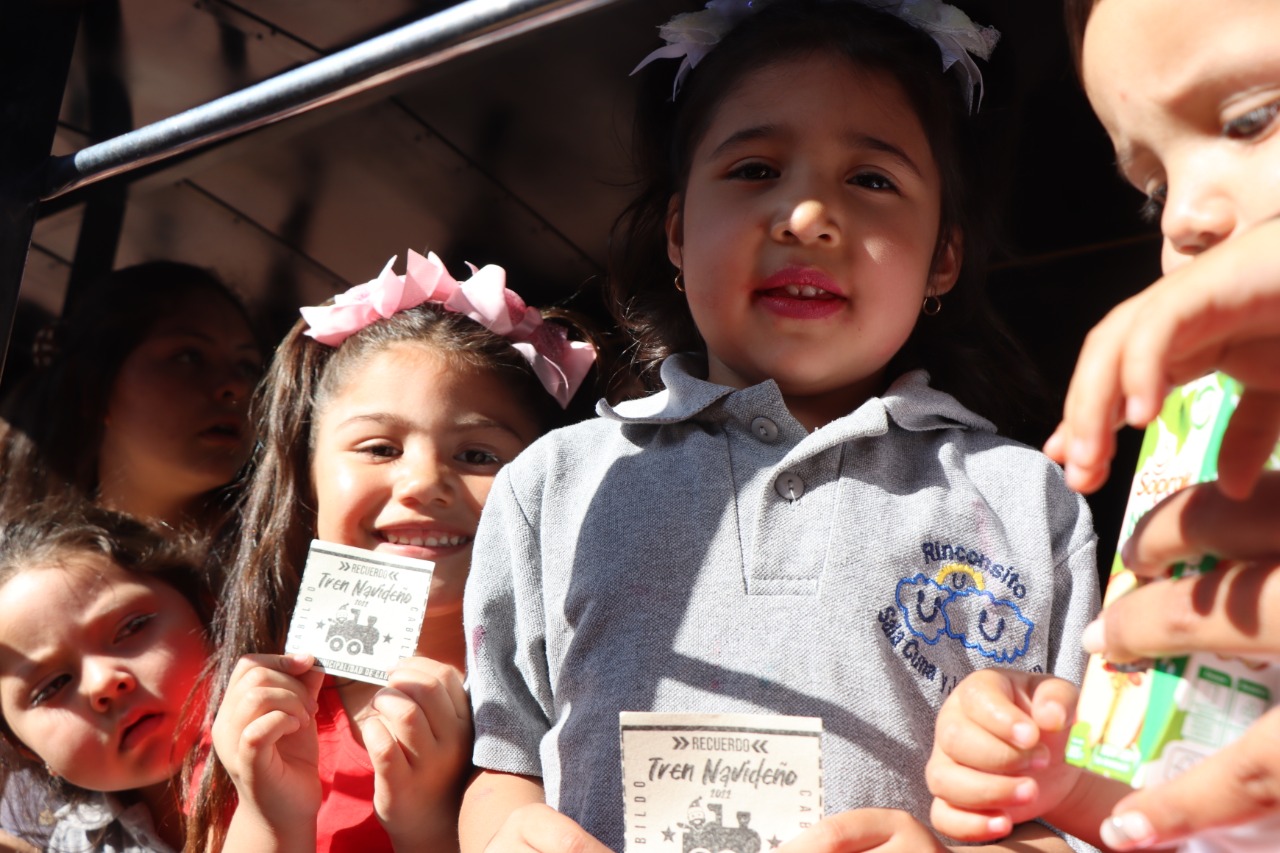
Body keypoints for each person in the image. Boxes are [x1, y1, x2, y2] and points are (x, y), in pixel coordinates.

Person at [459, 2, 1100, 850]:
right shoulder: (551, 487)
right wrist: (509, 833)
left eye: (871, 180)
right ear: (679, 234)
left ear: (943, 254)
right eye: (757, 168)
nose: (807, 216)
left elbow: (1089, 814)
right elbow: (502, 770)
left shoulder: (1029, 502)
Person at [927, 0, 1280, 850]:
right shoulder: (1204, 425)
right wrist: (1062, 780)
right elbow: (1193, 804)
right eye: (1153, 188)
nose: (1182, 219)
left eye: (1253, 118)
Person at [189, 251, 596, 852]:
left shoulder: (571, 707)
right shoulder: (258, 719)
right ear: (307, 478)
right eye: (379, 448)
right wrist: (270, 818)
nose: (423, 483)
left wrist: (429, 826)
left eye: (479, 455)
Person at [0, 505, 215, 852]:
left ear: (207, 606)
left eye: (132, 628)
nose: (103, 683)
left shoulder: (317, 729)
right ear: (27, 750)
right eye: (52, 686)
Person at [0, 261, 262, 530]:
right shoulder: (28, 564)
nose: (237, 385)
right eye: (189, 356)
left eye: (247, 366)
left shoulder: (288, 557)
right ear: (94, 389)